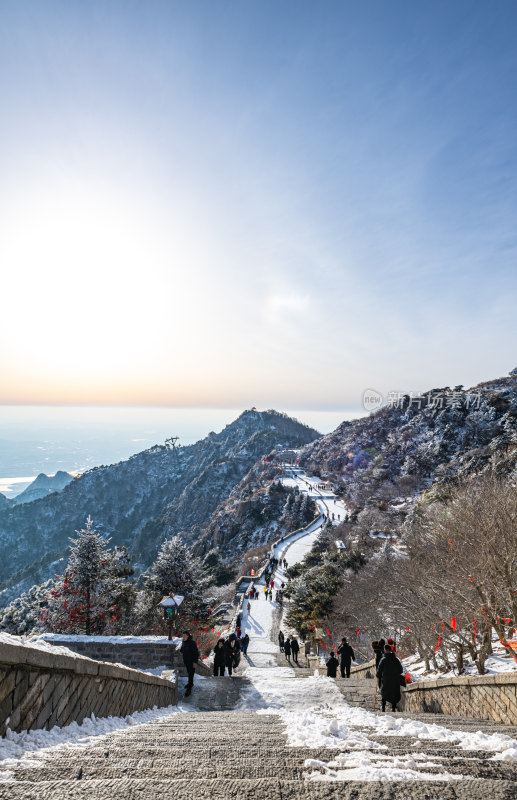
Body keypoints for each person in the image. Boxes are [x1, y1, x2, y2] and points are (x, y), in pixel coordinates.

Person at [376, 644, 404, 712]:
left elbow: (379, 670)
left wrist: (378, 675)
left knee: (385, 692)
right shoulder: (396, 660)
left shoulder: (383, 660)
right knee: (394, 693)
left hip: (386, 679)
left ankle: (383, 708)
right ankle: (393, 708)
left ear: (385, 650)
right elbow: (401, 670)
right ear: (391, 650)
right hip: (395, 679)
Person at [180, 631, 199, 697]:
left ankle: (189, 689)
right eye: (183, 636)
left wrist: (195, 662)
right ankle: (190, 684)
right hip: (186, 661)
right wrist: (181, 651)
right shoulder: (184, 641)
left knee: (191, 674)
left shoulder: (192, 643)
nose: (183, 637)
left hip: (191, 661)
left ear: (188, 636)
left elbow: (196, 653)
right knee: (189, 673)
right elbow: (182, 648)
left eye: (185, 636)